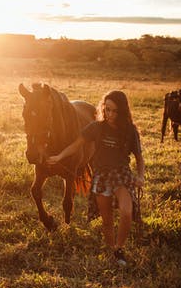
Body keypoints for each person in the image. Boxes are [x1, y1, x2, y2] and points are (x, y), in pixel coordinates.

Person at [47, 90, 145, 266]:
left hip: (122, 176)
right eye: (107, 109)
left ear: (123, 111)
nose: (110, 114)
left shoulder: (130, 131)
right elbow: (76, 145)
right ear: (103, 108)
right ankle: (112, 250)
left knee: (126, 211)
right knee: (106, 220)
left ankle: (120, 247)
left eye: (115, 111)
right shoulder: (96, 127)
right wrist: (59, 157)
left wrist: (140, 176)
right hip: (101, 177)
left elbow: (139, 157)